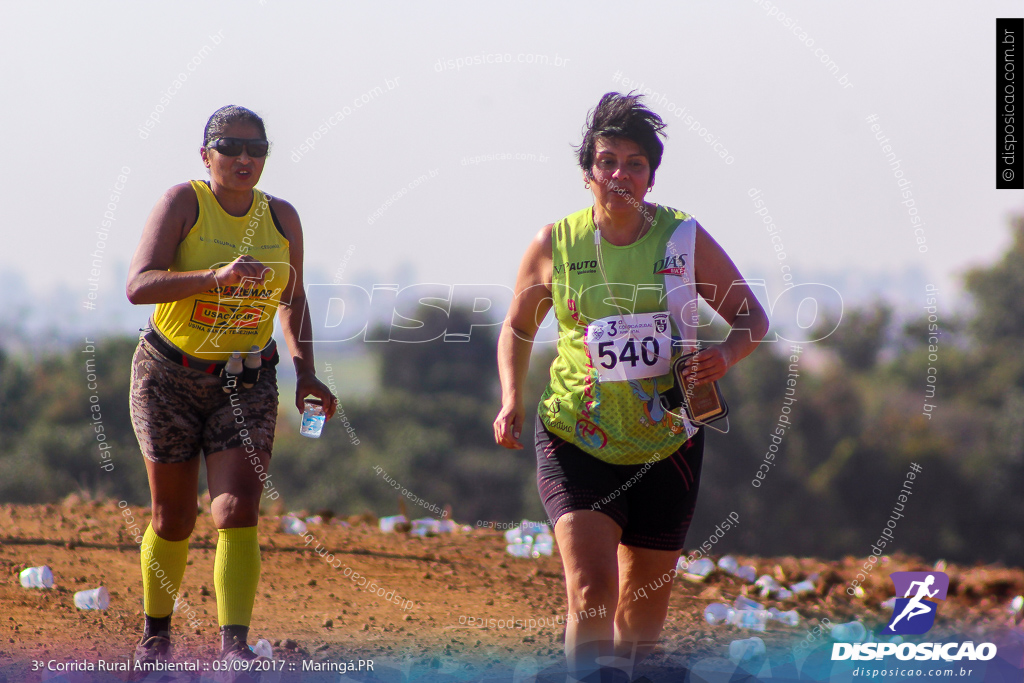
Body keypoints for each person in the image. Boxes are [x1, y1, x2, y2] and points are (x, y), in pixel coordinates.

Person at [493, 92, 769, 683]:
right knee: (590, 589)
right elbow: (517, 328)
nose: (620, 174)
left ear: (651, 176)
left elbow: (752, 318)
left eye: (635, 164)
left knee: (641, 617)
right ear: (588, 172)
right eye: (608, 161)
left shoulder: (682, 239)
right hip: (576, 434)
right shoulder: (555, 244)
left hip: (668, 440)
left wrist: (724, 355)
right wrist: (512, 397)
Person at [125, 105, 337, 665]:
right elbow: (139, 285)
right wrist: (213, 278)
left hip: (246, 380)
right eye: (231, 147)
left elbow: (292, 298)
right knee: (173, 518)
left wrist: (305, 370)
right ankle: (156, 637)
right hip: (168, 376)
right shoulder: (183, 203)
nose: (245, 159)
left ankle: (234, 649)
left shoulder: (282, 218)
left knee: (237, 508)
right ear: (206, 155)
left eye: (257, 149)